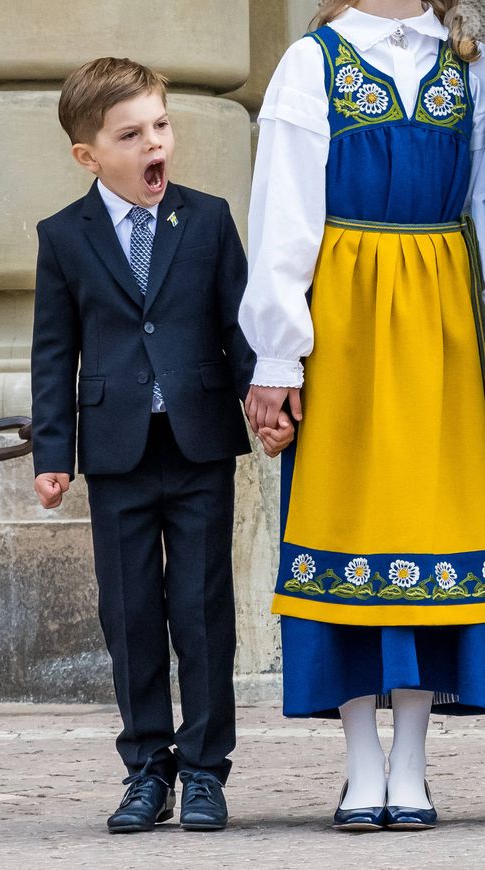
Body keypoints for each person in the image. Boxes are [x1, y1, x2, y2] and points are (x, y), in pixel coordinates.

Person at [30, 56, 293, 834]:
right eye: (133, 133)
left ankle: (206, 770)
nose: (156, 144)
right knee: (132, 614)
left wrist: (266, 403)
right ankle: (149, 768)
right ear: (90, 155)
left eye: (162, 126)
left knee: (202, 609)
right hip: (115, 454)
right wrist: (53, 453)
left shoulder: (207, 219)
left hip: (200, 443)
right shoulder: (63, 237)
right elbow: (54, 353)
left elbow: (237, 328)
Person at [240, 0, 485, 831]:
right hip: (343, 322)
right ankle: (358, 765)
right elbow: (281, 220)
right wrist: (277, 357)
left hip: (445, 322)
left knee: (430, 529)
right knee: (345, 526)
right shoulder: (312, 63)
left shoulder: (469, 61)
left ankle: (410, 763)